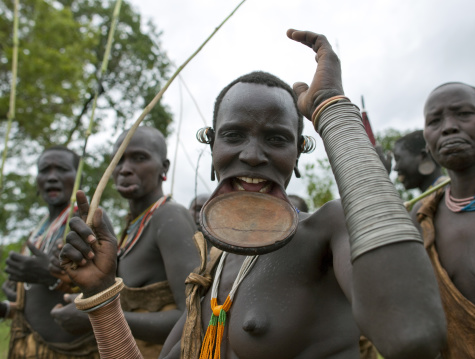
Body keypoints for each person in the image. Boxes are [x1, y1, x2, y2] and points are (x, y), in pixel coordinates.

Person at [60, 29, 446, 359]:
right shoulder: (211, 263)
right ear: (212, 149)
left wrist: (333, 112)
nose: (251, 154)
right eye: (233, 135)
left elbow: (413, 336)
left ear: (297, 156)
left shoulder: (329, 230)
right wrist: (101, 294)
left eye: (276, 139)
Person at [53, 127, 200, 358]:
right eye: (118, 161)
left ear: (164, 167)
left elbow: (195, 316)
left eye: (139, 158)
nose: (125, 169)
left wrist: (93, 315)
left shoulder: (169, 217)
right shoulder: (130, 227)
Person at [414, 82, 475, 358]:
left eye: (464, 114)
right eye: (435, 121)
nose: (448, 127)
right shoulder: (421, 218)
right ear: (427, 141)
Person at [4, 146, 100, 359]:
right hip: (27, 348)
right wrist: (13, 300)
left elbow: (105, 288)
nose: (52, 177)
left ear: (78, 179)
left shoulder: (88, 225)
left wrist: (50, 277)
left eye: (62, 170)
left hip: (72, 352)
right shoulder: (37, 231)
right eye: (44, 170)